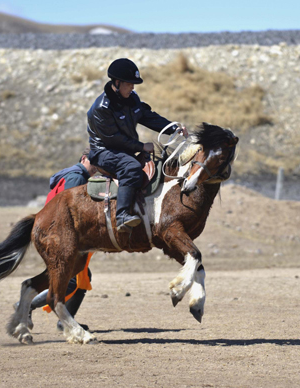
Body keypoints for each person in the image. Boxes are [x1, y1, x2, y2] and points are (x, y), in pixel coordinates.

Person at [87, 58, 188, 232]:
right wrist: (141, 147)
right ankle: (122, 216)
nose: (133, 88)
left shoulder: (131, 98)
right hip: (104, 151)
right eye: (129, 84)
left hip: (123, 149)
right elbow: (114, 139)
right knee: (131, 167)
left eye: (134, 84)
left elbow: (148, 116)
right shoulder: (101, 109)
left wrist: (173, 128)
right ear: (117, 83)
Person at [17, 151, 97, 331]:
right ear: (83, 159)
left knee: (80, 277)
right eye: (94, 161)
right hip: (60, 235)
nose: (97, 166)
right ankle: (29, 305)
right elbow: (70, 210)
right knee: (71, 279)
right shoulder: (76, 178)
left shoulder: (73, 175)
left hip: (57, 233)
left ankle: (66, 320)